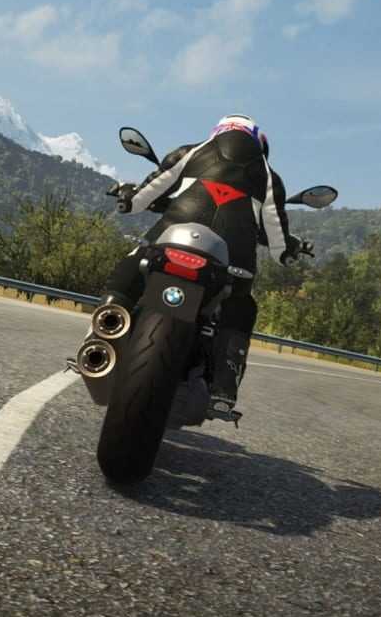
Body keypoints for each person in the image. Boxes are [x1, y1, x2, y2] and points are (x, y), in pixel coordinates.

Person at [101, 114, 310, 410]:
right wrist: (290, 251)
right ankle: (225, 381)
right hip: (233, 261)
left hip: (171, 238)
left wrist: (127, 196)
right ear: (260, 146)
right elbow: (277, 244)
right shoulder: (269, 177)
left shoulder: (190, 152)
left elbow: (139, 200)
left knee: (134, 263)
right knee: (240, 304)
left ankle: (105, 329)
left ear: (217, 133)